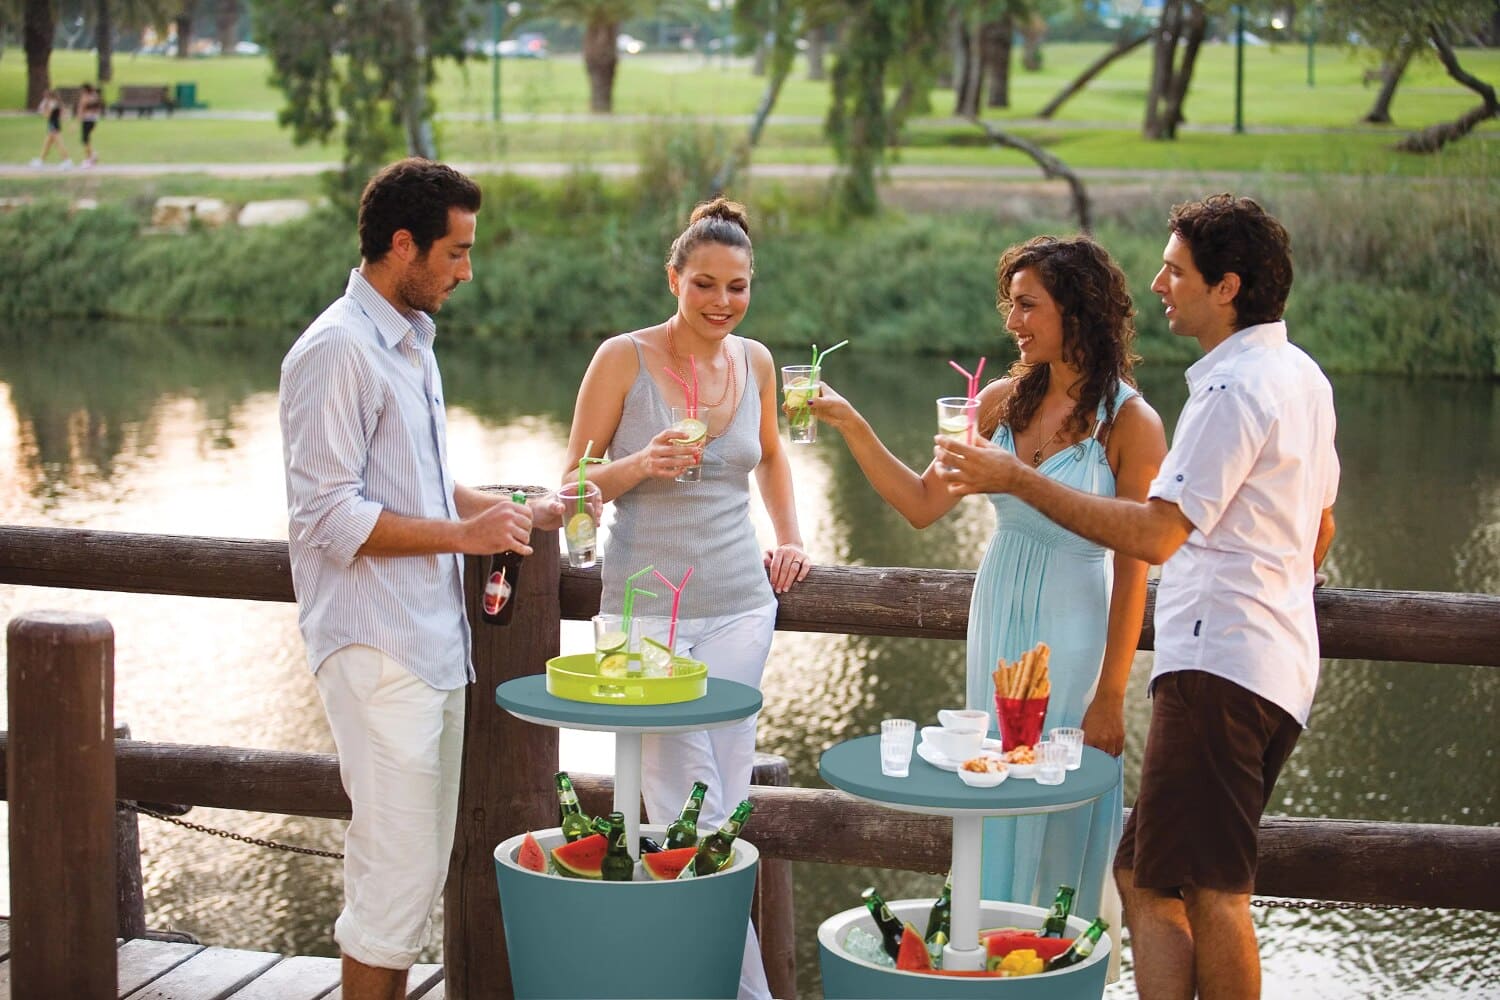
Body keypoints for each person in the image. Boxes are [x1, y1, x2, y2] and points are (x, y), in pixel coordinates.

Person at [935, 194, 1339, 1000]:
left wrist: (1017, 478)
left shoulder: (1229, 394)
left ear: (1226, 287)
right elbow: (1321, 526)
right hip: (1274, 661)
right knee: (1147, 880)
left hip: (1221, 664)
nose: (1160, 282)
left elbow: (1155, 538)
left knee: (1210, 891)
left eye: (1176, 269)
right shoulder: (1300, 374)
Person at [809, 235, 1167, 924]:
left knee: (1057, 797)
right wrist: (851, 422)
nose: (1013, 321)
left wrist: (1111, 695)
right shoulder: (1000, 402)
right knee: (992, 785)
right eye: (1011, 305)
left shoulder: (1132, 423)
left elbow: (1135, 568)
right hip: (997, 610)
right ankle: (989, 938)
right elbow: (920, 505)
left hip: (1074, 626)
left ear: (1078, 309)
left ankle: (1052, 953)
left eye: (1028, 305)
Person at [280, 158, 566, 1000]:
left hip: (432, 649)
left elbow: (419, 482)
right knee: (393, 887)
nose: (467, 271)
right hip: (377, 652)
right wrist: (463, 532)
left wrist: (515, 507)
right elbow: (329, 517)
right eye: (456, 252)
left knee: (410, 877)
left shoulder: (408, 343)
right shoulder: (336, 350)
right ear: (401, 245)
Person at [563, 197, 810, 1000]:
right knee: (686, 815)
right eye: (704, 284)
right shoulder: (621, 359)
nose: (722, 303)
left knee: (721, 809)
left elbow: (772, 455)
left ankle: (692, 981)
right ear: (674, 278)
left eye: (738, 287)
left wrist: (793, 535)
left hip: (742, 604)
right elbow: (569, 486)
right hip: (641, 617)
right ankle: (749, 993)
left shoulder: (759, 362)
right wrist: (637, 466)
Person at [32, 89, 71, 168]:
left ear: (48, 96)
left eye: (45, 96)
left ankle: (67, 161)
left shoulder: (51, 103)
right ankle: (41, 161)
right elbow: (62, 114)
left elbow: (48, 115)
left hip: (53, 125)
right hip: (53, 124)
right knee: (47, 144)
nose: (44, 97)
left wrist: (43, 110)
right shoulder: (56, 102)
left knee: (59, 144)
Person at [77, 83, 103, 167]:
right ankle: (93, 156)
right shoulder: (95, 96)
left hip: (86, 120)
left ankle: (89, 159)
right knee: (87, 140)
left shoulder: (85, 97)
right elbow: (98, 109)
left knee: (85, 140)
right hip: (93, 120)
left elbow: (81, 109)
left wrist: (77, 121)